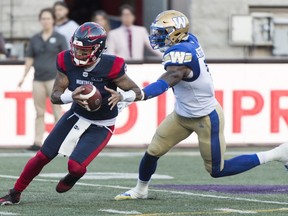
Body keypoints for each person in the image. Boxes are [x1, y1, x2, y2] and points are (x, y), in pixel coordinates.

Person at [105, 10, 288, 200]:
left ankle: (277, 153)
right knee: (153, 151)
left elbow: (168, 80)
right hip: (181, 115)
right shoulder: (188, 40)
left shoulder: (181, 55)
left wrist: (138, 94)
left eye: (162, 32)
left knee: (217, 170)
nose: (157, 36)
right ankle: (140, 190)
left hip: (206, 117)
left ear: (175, 32)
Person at [0, 22, 142, 205]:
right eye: (75, 48)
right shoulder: (65, 60)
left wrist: (122, 95)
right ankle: (15, 192)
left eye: (84, 51)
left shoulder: (112, 65)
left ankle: (71, 177)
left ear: (98, 49)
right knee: (43, 155)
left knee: (75, 167)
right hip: (77, 114)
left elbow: (137, 91)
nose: (77, 54)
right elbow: (55, 96)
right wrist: (71, 97)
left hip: (102, 123)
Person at [18, 8, 67, 151]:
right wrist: (23, 76)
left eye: (48, 18)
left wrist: (66, 76)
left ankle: (59, 141)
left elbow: (65, 58)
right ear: (40, 21)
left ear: (53, 20)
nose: (45, 21)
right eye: (43, 18)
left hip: (54, 79)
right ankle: (37, 141)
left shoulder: (59, 38)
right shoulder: (35, 39)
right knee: (39, 112)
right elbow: (29, 59)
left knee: (57, 110)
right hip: (38, 79)